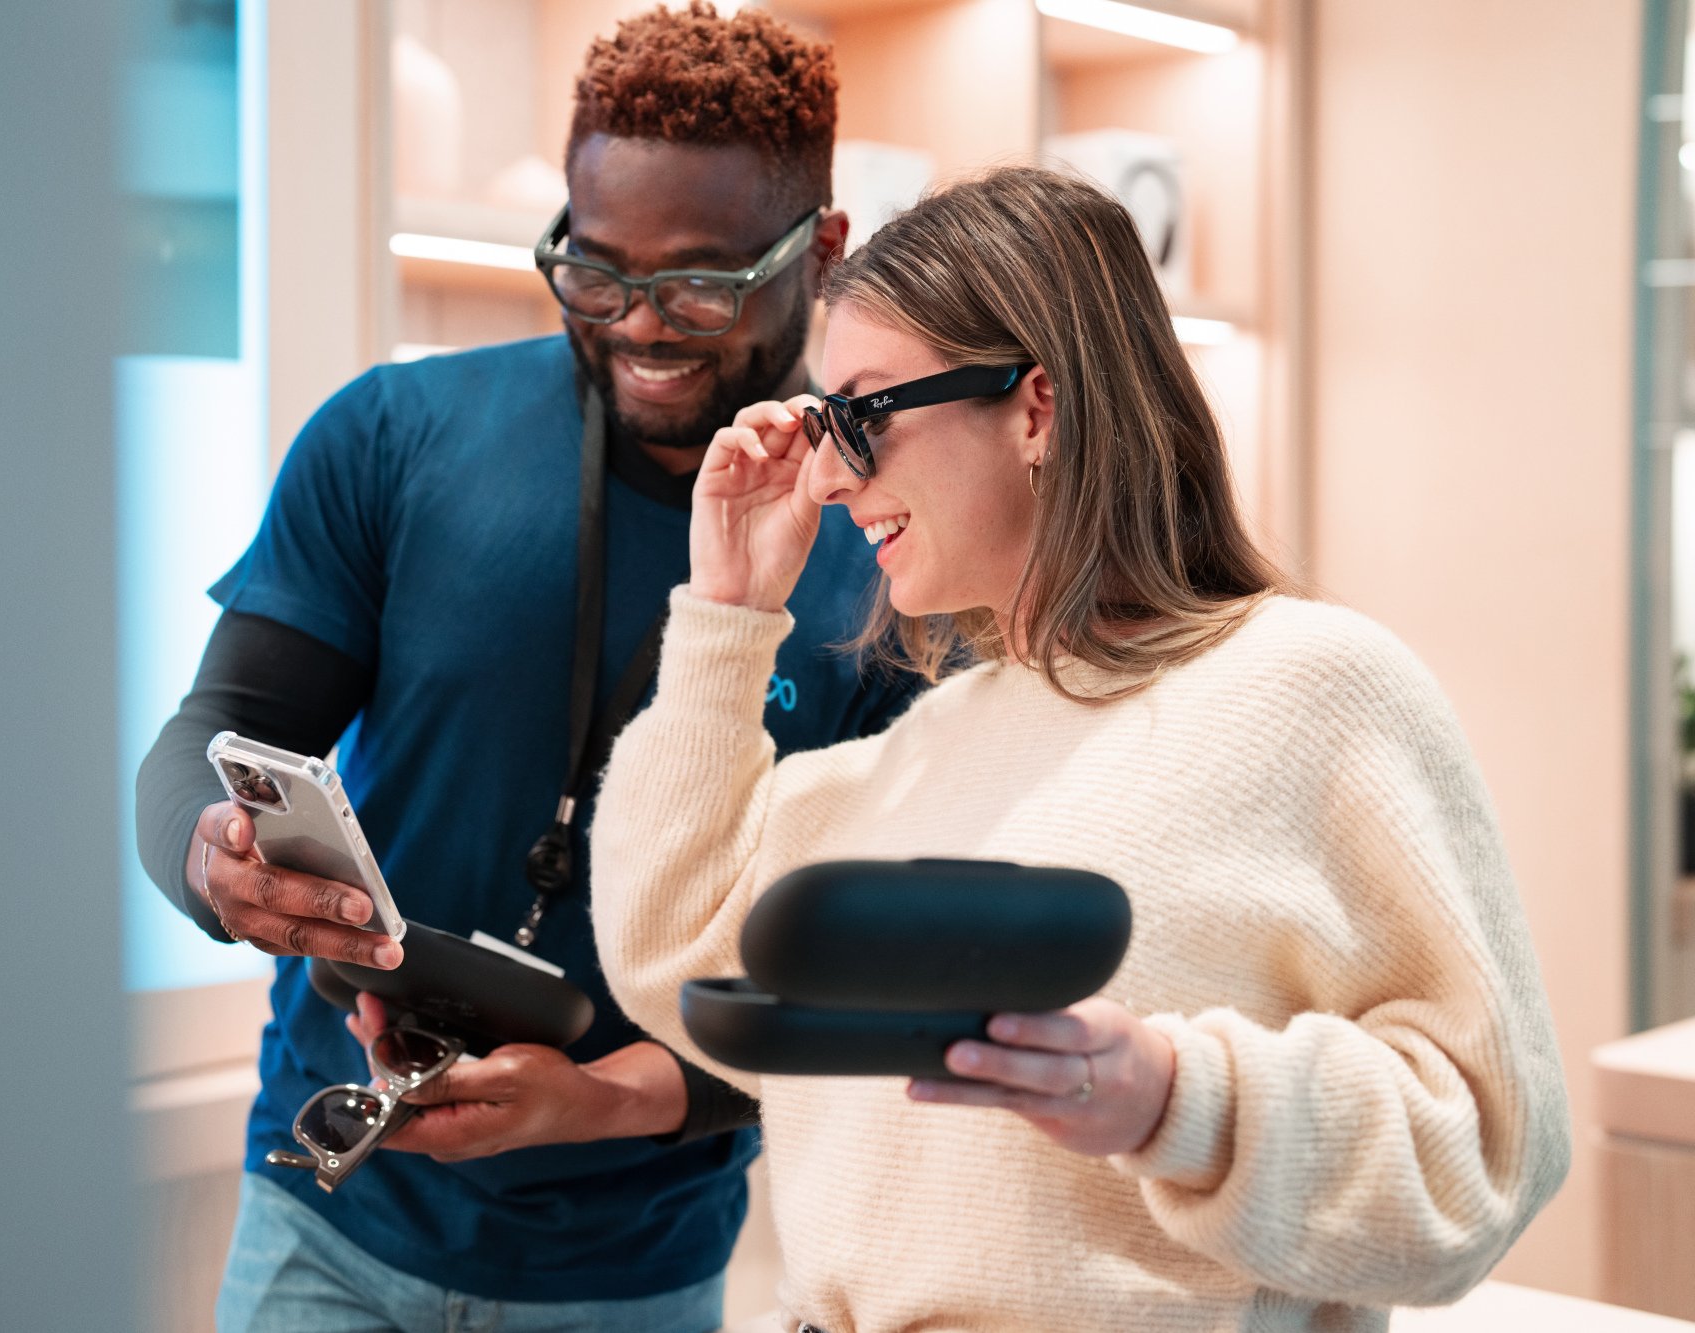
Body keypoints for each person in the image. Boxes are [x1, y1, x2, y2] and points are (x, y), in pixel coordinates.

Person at [590, 163, 1572, 1333]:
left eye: (861, 415)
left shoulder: (1312, 688)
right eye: (819, 426)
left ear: (1035, 407)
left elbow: (1487, 1152)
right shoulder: (933, 738)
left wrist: (1173, 1099)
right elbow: (671, 950)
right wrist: (728, 611)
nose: (833, 478)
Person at [135, 6, 918, 1331]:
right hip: (323, 1221)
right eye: (595, 271)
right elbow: (208, 734)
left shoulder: (898, 553)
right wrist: (212, 861)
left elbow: (875, 994)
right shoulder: (394, 436)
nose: (638, 325)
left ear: (823, 251)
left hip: (634, 1271)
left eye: (701, 286)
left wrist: (609, 1097)